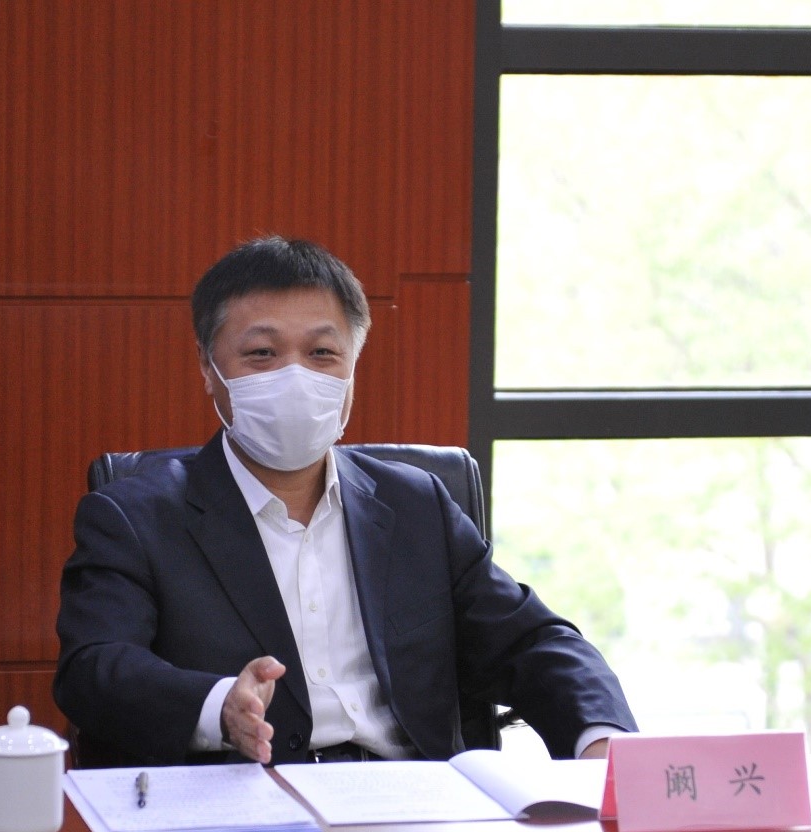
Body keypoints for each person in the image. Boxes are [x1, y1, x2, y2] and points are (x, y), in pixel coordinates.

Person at [54, 235, 637, 774]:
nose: (294, 377)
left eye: (322, 353)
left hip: (412, 809)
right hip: (246, 810)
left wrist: (600, 737)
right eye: (261, 353)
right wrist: (218, 707)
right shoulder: (135, 517)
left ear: (353, 366)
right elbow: (95, 668)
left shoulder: (416, 506)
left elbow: (535, 643)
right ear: (209, 368)